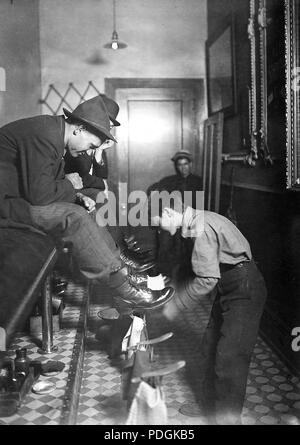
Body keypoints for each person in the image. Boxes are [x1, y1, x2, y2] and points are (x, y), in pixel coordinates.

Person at [0, 95, 174, 311]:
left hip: (18, 197)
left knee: (88, 203)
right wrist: (72, 188)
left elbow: (51, 182)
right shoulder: (44, 135)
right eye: (91, 146)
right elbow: (40, 195)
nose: (89, 152)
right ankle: (124, 288)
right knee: (76, 216)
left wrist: (78, 195)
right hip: (7, 204)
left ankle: (122, 269)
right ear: (79, 128)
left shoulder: (55, 132)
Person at [150, 192, 267, 425]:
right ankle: (209, 406)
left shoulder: (199, 227)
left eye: (159, 223)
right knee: (210, 346)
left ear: (169, 213)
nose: (160, 229)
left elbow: (207, 279)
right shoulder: (196, 221)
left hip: (243, 288)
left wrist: (175, 305)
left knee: (229, 356)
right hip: (230, 283)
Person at [148, 150, 202, 276]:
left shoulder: (198, 182)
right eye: (180, 165)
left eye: (186, 164)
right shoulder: (169, 181)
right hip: (173, 221)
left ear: (191, 164)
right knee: (165, 246)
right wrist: (157, 217)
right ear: (176, 167)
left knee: (191, 252)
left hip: (191, 222)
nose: (183, 168)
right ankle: (161, 278)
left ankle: (187, 278)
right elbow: (153, 191)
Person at [64, 93, 120, 203]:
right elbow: (77, 177)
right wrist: (102, 184)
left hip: (87, 190)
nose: (107, 130)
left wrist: (99, 150)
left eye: (111, 127)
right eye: (107, 124)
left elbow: (102, 176)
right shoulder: (78, 140)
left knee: (107, 196)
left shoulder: (98, 141)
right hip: (71, 192)